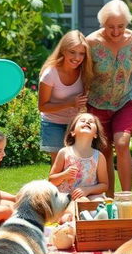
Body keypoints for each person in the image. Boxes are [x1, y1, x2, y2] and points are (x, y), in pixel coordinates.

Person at [86, 0, 132, 196]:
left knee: (122, 143)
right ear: (103, 23)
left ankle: (126, 197)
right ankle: (109, 199)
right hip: (97, 103)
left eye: (121, 26)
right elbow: (84, 75)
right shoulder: (91, 42)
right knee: (105, 151)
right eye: (111, 27)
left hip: (125, 100)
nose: (117, 31)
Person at [38, 30, 92, 164]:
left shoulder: (84, 71)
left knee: (75, 162)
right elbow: (42, 106)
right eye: (72, 52)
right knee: (58, 163)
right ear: (63, 50)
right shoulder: (50, 73)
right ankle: (54, 186)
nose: (77, 58)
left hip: (74, 124)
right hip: (53, 123)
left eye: (81, 53)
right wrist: (70, 103)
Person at [48, 112, 108, 204]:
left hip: (91, 195)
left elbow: (104, 185)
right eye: (82, 121)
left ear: (95, 134)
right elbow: (51, 181)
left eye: (91, 122)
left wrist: (87, 190)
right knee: (82, 203)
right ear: (72, 132)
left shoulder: (99, 157)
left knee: (100, 203)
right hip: (66, 197)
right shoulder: (64, 153)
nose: (87, 122)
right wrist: (64, 175)